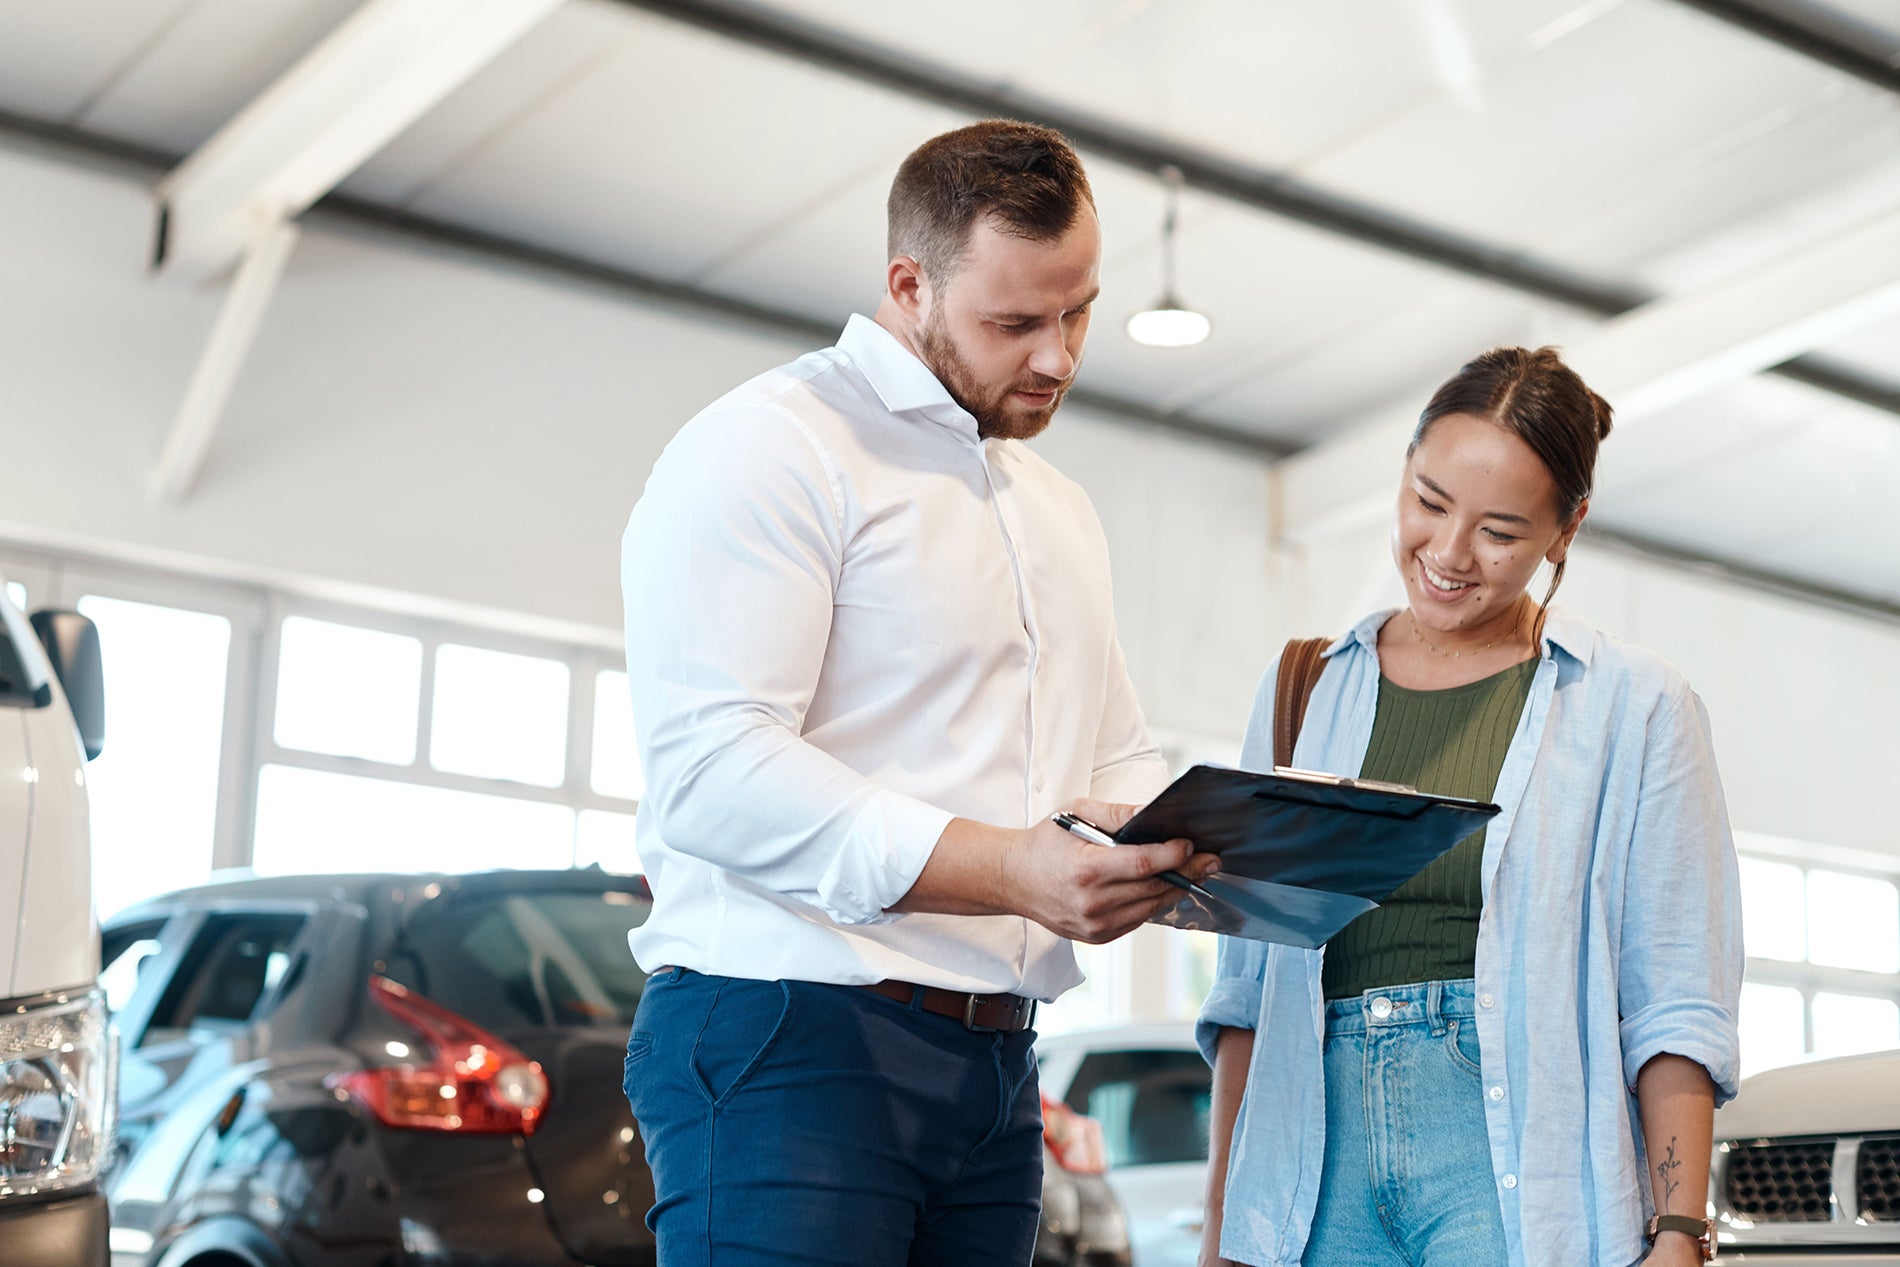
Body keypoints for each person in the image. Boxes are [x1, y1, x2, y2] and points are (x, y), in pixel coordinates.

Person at [618, 120, 1216, 1266]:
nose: (1058, 357)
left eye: (1078, 308)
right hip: (788, 1032)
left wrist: (1211, 837)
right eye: (1014, 322)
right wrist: (1013, 867)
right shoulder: (771, 446)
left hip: (997, 1064)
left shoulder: (1056, 510)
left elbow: (1113, 761)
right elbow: (712, 770)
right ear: (908, 284)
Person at [1197, 347, 1743, 1267]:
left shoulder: (1638, 709)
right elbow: (1247, 998)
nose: (1448, 555)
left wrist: (1679, 1235)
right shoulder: (1304, 693)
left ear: (1564, 530)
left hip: (1515, 1161)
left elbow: (1677, 1007)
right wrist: (1220, 1234)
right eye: (1429, 501)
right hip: (1310, 1161)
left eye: (1499, 530)